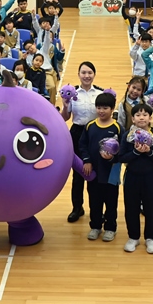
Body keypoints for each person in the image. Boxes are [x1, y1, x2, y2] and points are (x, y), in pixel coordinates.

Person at [118, 103, 153, 254]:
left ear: (150, 118)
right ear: (133, 118)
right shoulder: (127, 135)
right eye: (138, 115)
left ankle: (150, 238)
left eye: (145, 115)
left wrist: (149, 152)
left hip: (150, 176)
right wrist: (136, 152)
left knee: (151, 208)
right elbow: (121, 157)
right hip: (131, 175)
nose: (141, 118)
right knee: (131, 208)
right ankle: (133, 237)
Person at [61, 61, 103, 223]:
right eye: (83, 72)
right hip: (77, 134)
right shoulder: (72, 93)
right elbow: (65, 118)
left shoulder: (100, 93)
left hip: (95, 134)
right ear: (78, 74)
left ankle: (96, 210)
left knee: (96, 174)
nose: (87, 76)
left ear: (94, 74)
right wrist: (65, 105)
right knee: (78, 174)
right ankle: (77, 208)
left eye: (90, 72)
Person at [79, 92, 122, 242]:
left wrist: (112, 158)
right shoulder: (90, 126)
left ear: (112, 109)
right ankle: (95, 226)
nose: (101, 111)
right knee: (94, 201)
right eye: (98, 107)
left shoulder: (117, 128)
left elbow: (122, 151)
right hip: (93, 172)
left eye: (105, 108)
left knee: (111, 202)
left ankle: (110, 227)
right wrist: (87, 160)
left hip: (111, 173)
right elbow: (82, 145)